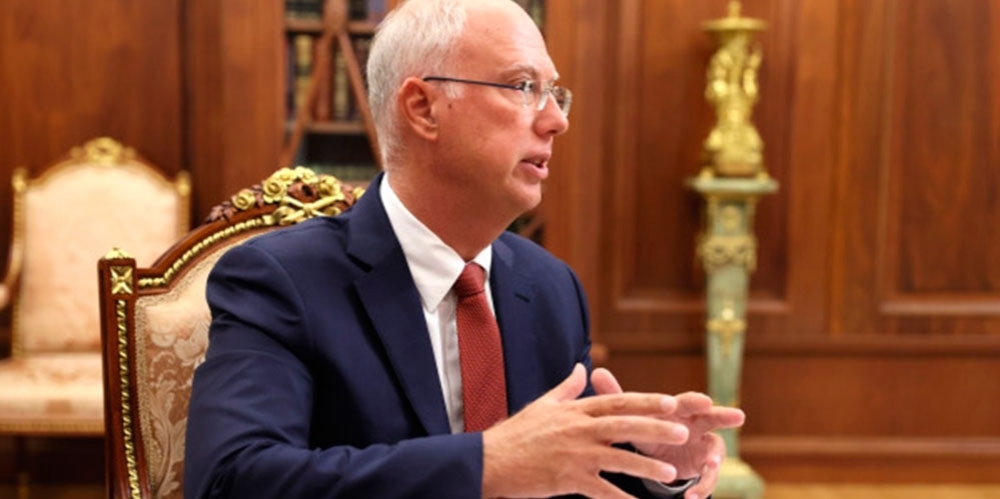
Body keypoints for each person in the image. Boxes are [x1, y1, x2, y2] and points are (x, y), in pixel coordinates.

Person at [183, 0, 745, 498]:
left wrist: (654, 468)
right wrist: (486, 464)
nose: (556, 120)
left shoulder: (551, 287)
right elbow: (232, 479)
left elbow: (560, 471)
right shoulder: (282, 280)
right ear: (423, 107)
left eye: (556, 94)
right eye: (523, 87)